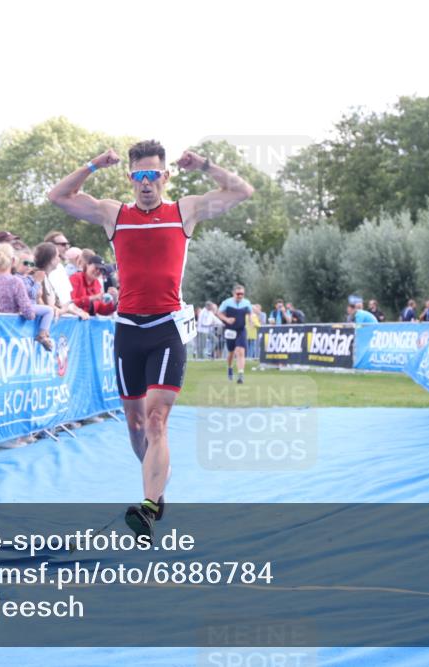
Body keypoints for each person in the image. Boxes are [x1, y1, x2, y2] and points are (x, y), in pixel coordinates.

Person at [48, 139, 254, 538]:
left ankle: (145, 506)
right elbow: (58, 196)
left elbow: (241, 191)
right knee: (136, 424)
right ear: (130, 178)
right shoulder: (114, 214)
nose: (146, 183)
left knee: (157, 419)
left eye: (153, 175)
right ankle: (157, 488)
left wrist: (205, 165)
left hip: (166, 329)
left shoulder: (184, 211)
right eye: (139, 175)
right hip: (128, 329)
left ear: (165, 176)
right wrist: (94, 164)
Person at [0, 242, 55, 350]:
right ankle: (43, 334)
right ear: (13, 261)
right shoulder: (15, 281)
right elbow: (29, 314)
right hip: (11, 333)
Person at [34, 242, 90, 320]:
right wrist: (66, 311)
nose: (59, 259)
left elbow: (59, 304)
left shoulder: (46, 278)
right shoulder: (38, 277)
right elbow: (45, 307)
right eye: (57, 256)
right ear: (51, 260)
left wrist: (77, 311)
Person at [216, 284, 253, 383]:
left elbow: (250, 312)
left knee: (240, 351)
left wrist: (250, 320)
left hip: (241, 330)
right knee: (231, 352)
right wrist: (226, 319)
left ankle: (240, 375)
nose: (240, 296)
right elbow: (219, 313)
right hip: (230, 330)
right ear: (233, 293)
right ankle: (230, 368)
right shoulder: (226, 302)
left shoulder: (246, 303)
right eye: (238, 294)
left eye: (242, 294)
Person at [43, 230, 74, 306]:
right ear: (51, 246)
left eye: (68, 244)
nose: (67, 247)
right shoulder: (43, 269)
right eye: (63, 244)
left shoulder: (61, 268)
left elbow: (67, 299)